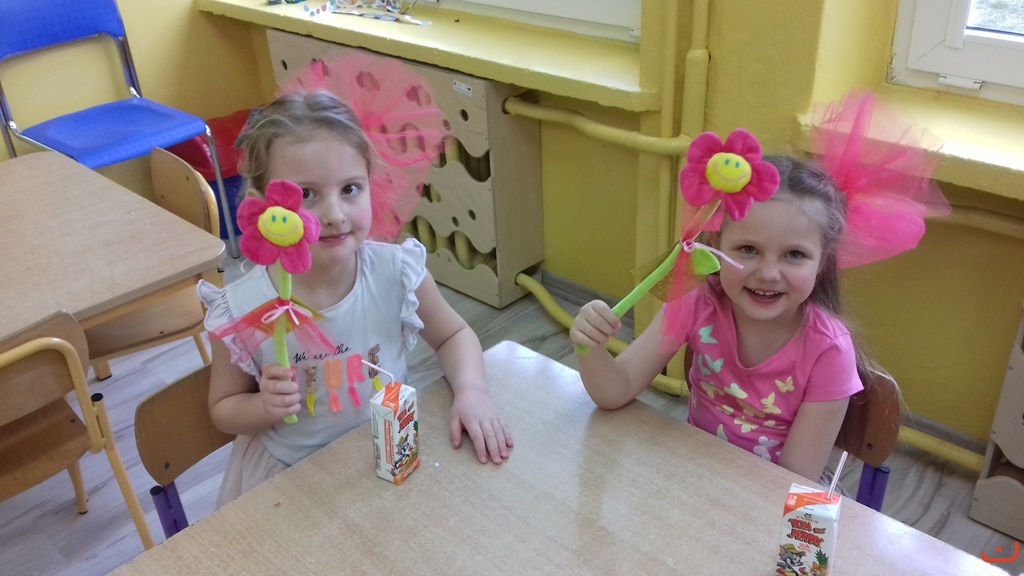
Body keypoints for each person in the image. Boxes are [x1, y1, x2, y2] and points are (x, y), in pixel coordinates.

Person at [199, 90, 512, 506]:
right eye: (306, 195)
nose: (334, 214)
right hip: (291, 481)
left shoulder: (397, 273)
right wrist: (262, 408)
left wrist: (472, 390)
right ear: (261, 209)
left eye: (350, 188)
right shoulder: (242, 308)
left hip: (390, 455)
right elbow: (223, 408)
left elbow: (454, 336)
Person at [570, 154, 865, 483]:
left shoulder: (829, 351)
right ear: (715, 245)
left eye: (794, 255)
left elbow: (792, 481)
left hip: (773, 494)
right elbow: (616, 390)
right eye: (748, 249)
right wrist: (590, 346)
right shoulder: (696, 302)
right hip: (698, 475)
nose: (768, 273)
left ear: (822, 262)